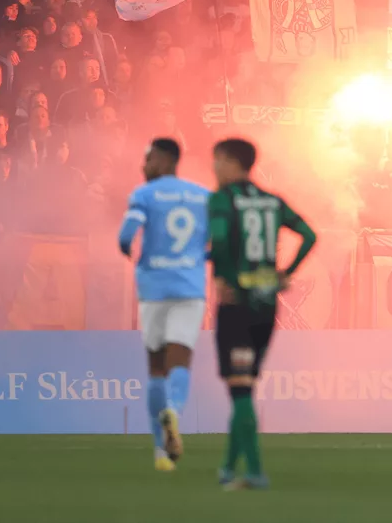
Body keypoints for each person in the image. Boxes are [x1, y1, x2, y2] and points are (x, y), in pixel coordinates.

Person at [208, 137, 318, 490]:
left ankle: (254, 471)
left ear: (230, 162)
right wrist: (287, 273)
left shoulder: (222, 200)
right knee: (245, 388)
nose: (214, 169)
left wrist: (222, 276)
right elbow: (309, 234)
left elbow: (221, 241)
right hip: (266, 305)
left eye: (217, 161)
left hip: (237, 303)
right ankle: (227, 470)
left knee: (239, 390)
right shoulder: (272, 202)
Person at [116, 138, 210, 472]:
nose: (144, 166)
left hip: (154, 288)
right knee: (180, 359)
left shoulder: (144, 195)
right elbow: (218, 240)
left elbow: (127, 235)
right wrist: (199, 258)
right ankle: (175, 410)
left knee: (156, 367)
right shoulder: (202, 196)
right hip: (189, 288)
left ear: (166, 160)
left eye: (149, 159)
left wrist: (128, 250)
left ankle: (160, 452)